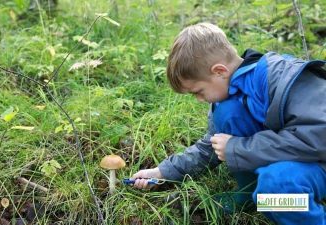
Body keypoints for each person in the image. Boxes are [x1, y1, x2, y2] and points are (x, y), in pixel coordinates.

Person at [131, 22, 326, 224]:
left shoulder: (282, 78)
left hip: (319, 157)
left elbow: (319, 138)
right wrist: (162, 172)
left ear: (219, 71)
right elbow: (212, 147)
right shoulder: (229, 96)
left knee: (275, 192)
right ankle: (249, 195)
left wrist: (238, 148)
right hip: (300, 158)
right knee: (229, 113)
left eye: (198, 92)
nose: (199, 99)